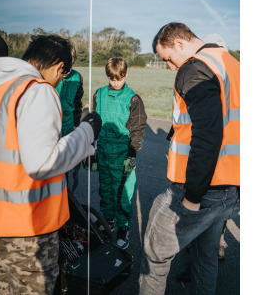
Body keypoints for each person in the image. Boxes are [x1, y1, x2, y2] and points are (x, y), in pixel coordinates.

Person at [0, 34, 102, 295]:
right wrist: (87, 131)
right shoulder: (36, 89)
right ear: (59, 68)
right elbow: (43, 162)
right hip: (27, 230)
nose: (60, 81)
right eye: (62, 75)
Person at [138, 23, 240, 295]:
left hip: (199, 190)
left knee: (154, 258)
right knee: (205, 258)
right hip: (229, 188)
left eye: (168, 58)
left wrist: (192, 198)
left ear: (180, 44)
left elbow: (207, 136)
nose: (172, 67)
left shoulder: (195, 68)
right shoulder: (233, 65)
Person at [87, 57, 147, 250]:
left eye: (119, 79)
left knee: (122, 193)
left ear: (126, 74)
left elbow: (138, 129)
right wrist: (92, 150)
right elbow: (93, 122)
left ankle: (123, 227)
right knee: (105, 189)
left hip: (122, 154)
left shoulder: (133, 99)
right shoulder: (99, 94)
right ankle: (108, 221)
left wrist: (132, 154)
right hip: (103, 150)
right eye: (112, 79)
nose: (115, 82)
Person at [55, 43, 84, 191]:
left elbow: (78, 104)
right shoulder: (52, 75)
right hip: (52, 129)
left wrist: (77, 126)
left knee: (66, 169)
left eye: (71, 61)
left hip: (68, 128)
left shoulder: (78, 77)